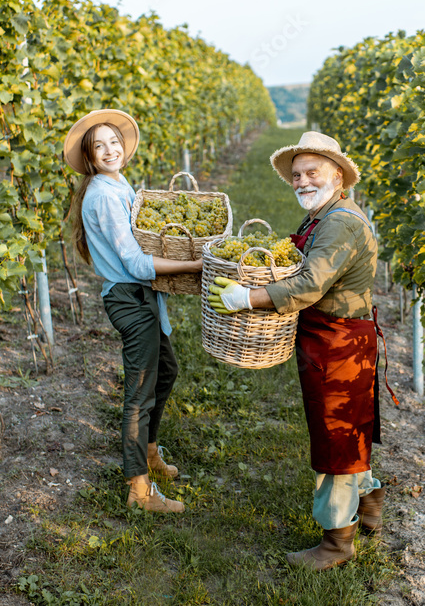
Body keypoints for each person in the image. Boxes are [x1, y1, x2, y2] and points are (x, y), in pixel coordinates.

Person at [208, 131, 387, 570]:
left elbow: (310, 284)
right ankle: (369, 502)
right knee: (348, 429)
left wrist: (245, 299)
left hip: (339, 344)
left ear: (339, 175)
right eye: (297, 175)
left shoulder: (341, 222)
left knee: (336, 438)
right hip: (331, 338)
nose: (303, 181)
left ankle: (336, 542)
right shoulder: (325, 215)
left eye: (313, 172)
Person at [65, 109, 201, 514]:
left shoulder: (119, 184)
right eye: (98, 146)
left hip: (141, 297)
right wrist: (194, 265)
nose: (109, 149)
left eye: (113, 141)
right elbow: (139, 264)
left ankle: (151, 452)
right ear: (89, 157)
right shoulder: (105, 195)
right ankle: (139, 490)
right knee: (139, 393)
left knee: (167, 370)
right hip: (129, 296)